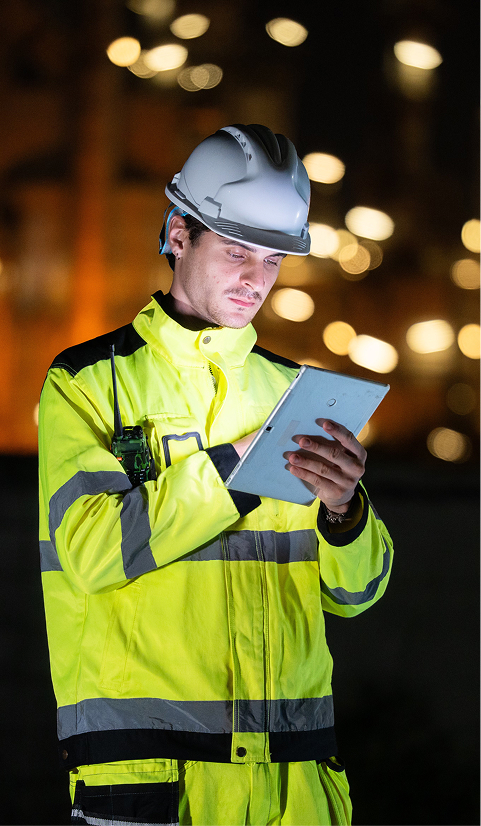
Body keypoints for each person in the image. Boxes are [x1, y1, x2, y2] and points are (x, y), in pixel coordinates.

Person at [38, 124, 393, 826]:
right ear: (178, 234)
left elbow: (358, 593)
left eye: (270, 261)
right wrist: (236, 464)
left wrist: (343, 514)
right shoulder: (88, 383)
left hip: (293, 779)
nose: (254, 279)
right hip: (152, 778)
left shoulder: (293, 392)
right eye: (236, 251)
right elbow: (90, 553)